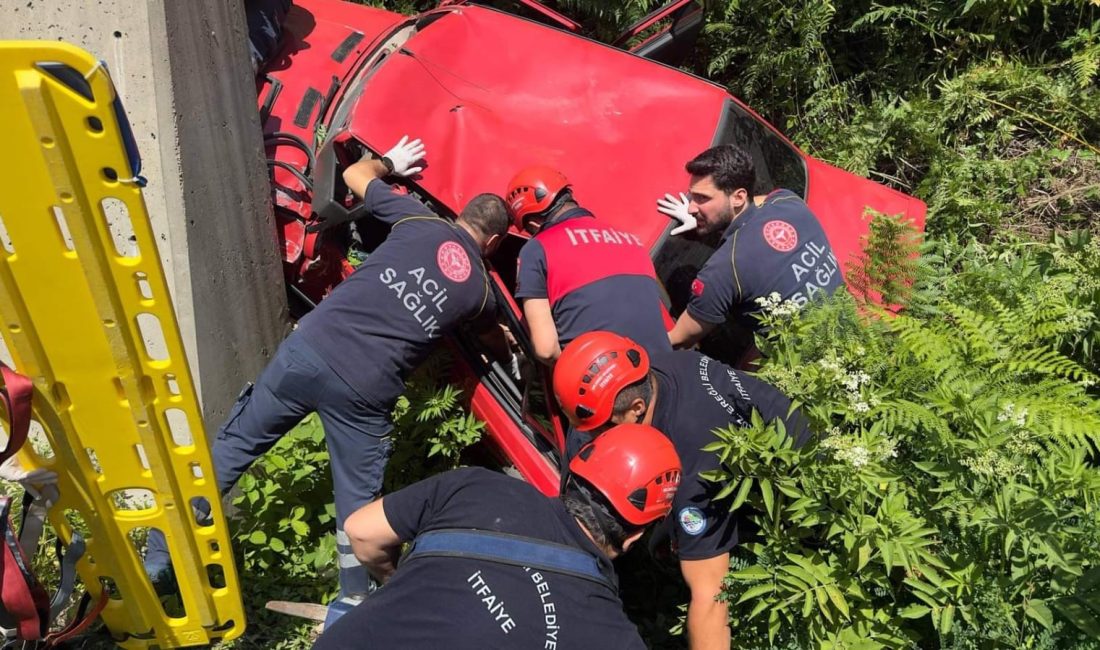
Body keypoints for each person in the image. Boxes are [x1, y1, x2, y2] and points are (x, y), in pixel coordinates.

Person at [145, 135, 510, 611]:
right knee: (357, 509)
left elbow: (356, 176)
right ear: (495, 240)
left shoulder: (419, 219)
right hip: (364, 393)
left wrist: (389, 164)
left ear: (461, 213)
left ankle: (157, 557)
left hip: (310, 350)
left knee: (233, 448)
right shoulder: (481, 292)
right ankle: (351, 606)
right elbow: (498, 343)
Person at [312, 423, 682, 649]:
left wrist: (402, 580)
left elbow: (361, 532)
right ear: (634, 537)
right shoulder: (608, 635)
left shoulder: (475, 485)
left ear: (574, 475)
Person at [552, 331, 812, 650]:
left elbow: (712, 597)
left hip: (800, 492)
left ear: (636, 408)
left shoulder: (693, 465)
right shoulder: (653, 372)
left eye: (604, 428)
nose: (596, 439)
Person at [656, 145, 844, 355]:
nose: (691, 207)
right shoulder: (789, 201)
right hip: (852, 329)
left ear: (738, 197)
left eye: (702, 198)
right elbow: (762, 200)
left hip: (809, 371)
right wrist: (703, 217)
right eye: (692, 197)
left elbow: (680, 338)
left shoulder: (722, 271)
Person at [507, 166, 672, 364]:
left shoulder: (536, 249)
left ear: (532, 223)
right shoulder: (631, 239)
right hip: (667, 369)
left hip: (609, 380)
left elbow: (546, 350)